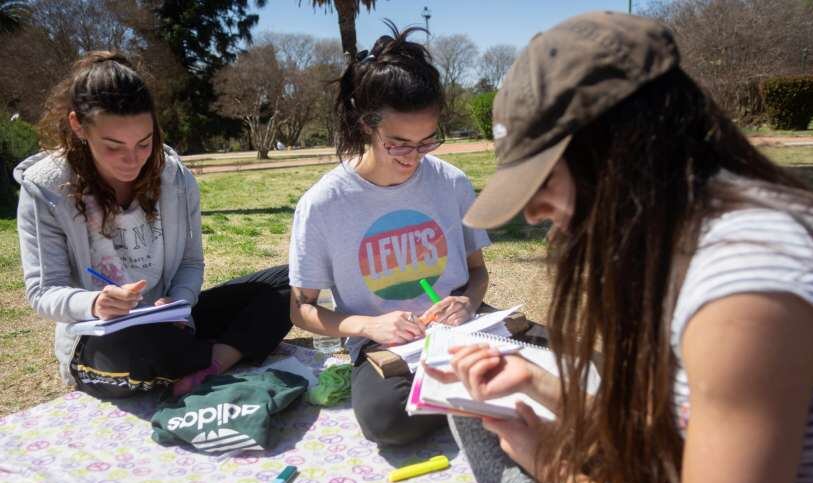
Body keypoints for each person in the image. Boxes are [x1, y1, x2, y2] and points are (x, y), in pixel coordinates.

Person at [416, 12, 813, 483]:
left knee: (524, 478)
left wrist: (548, 463)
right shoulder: (691, 236)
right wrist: (547, 390)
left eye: (543, 178)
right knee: (477, 411)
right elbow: (684, 425)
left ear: (624, 149)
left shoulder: (747, 294)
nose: (530, 210)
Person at [16, 52, 292, 399]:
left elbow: (191, 263)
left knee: (291, 284)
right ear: (78, 126)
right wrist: (95, 303)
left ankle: (208, 364)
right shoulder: (46, 189)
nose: (132, 160)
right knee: (142, 348)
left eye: (144, 143)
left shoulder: (174, 178)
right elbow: (44, 291)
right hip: (104, 336)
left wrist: (178, 301)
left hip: (173, 320)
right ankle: (208, 352)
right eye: (113, 147)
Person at [288, 24, 491, 447]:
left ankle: (470, 390)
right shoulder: (323, 204)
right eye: (399, 144)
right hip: (384, 348)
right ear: (366, 125)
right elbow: (301, 311)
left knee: (557, 356)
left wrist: (467, 303)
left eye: (427, 142)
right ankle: (483, 397)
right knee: (386, 420)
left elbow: (477, 272)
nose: (414, 158)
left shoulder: (451, 182)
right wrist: (370, 325)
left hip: (457, 326)